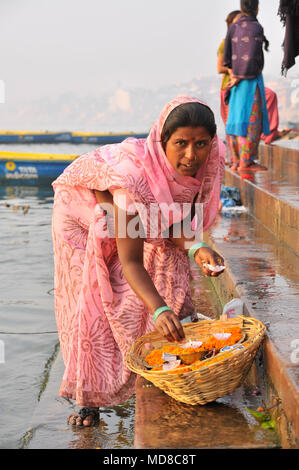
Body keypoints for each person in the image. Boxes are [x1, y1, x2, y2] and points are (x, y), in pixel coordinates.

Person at [51, 95, 226, 427]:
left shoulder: (202, 172)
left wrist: (197, 249)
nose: (191, 155)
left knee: (169, 259)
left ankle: (164, 356)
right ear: (163, 143)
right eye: (181, 144)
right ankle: (90, 399)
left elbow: (170, 226)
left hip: (126, 212)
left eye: (201, 143)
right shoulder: (133, 181)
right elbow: (131, 261)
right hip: (83, 211)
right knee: (102, 295)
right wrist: (160, 309)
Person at [224, 0, 271, 172]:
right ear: (257, 9)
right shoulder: (256, 28)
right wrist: (241, 76)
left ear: (242, 8)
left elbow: (226, 58)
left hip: (235, 83)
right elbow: (251, 56)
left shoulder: (233, 27)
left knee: (236, 120)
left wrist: (234, 76)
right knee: (252, 121)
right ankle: (246, 161)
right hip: (249, 82)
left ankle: (237, 162)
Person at [217, 10, 241, 127]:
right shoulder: (225, 43)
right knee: (231, 123)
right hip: (229, 85)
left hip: (242, 84)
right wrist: (232, 70)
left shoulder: (244, 42)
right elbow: (220, 68)